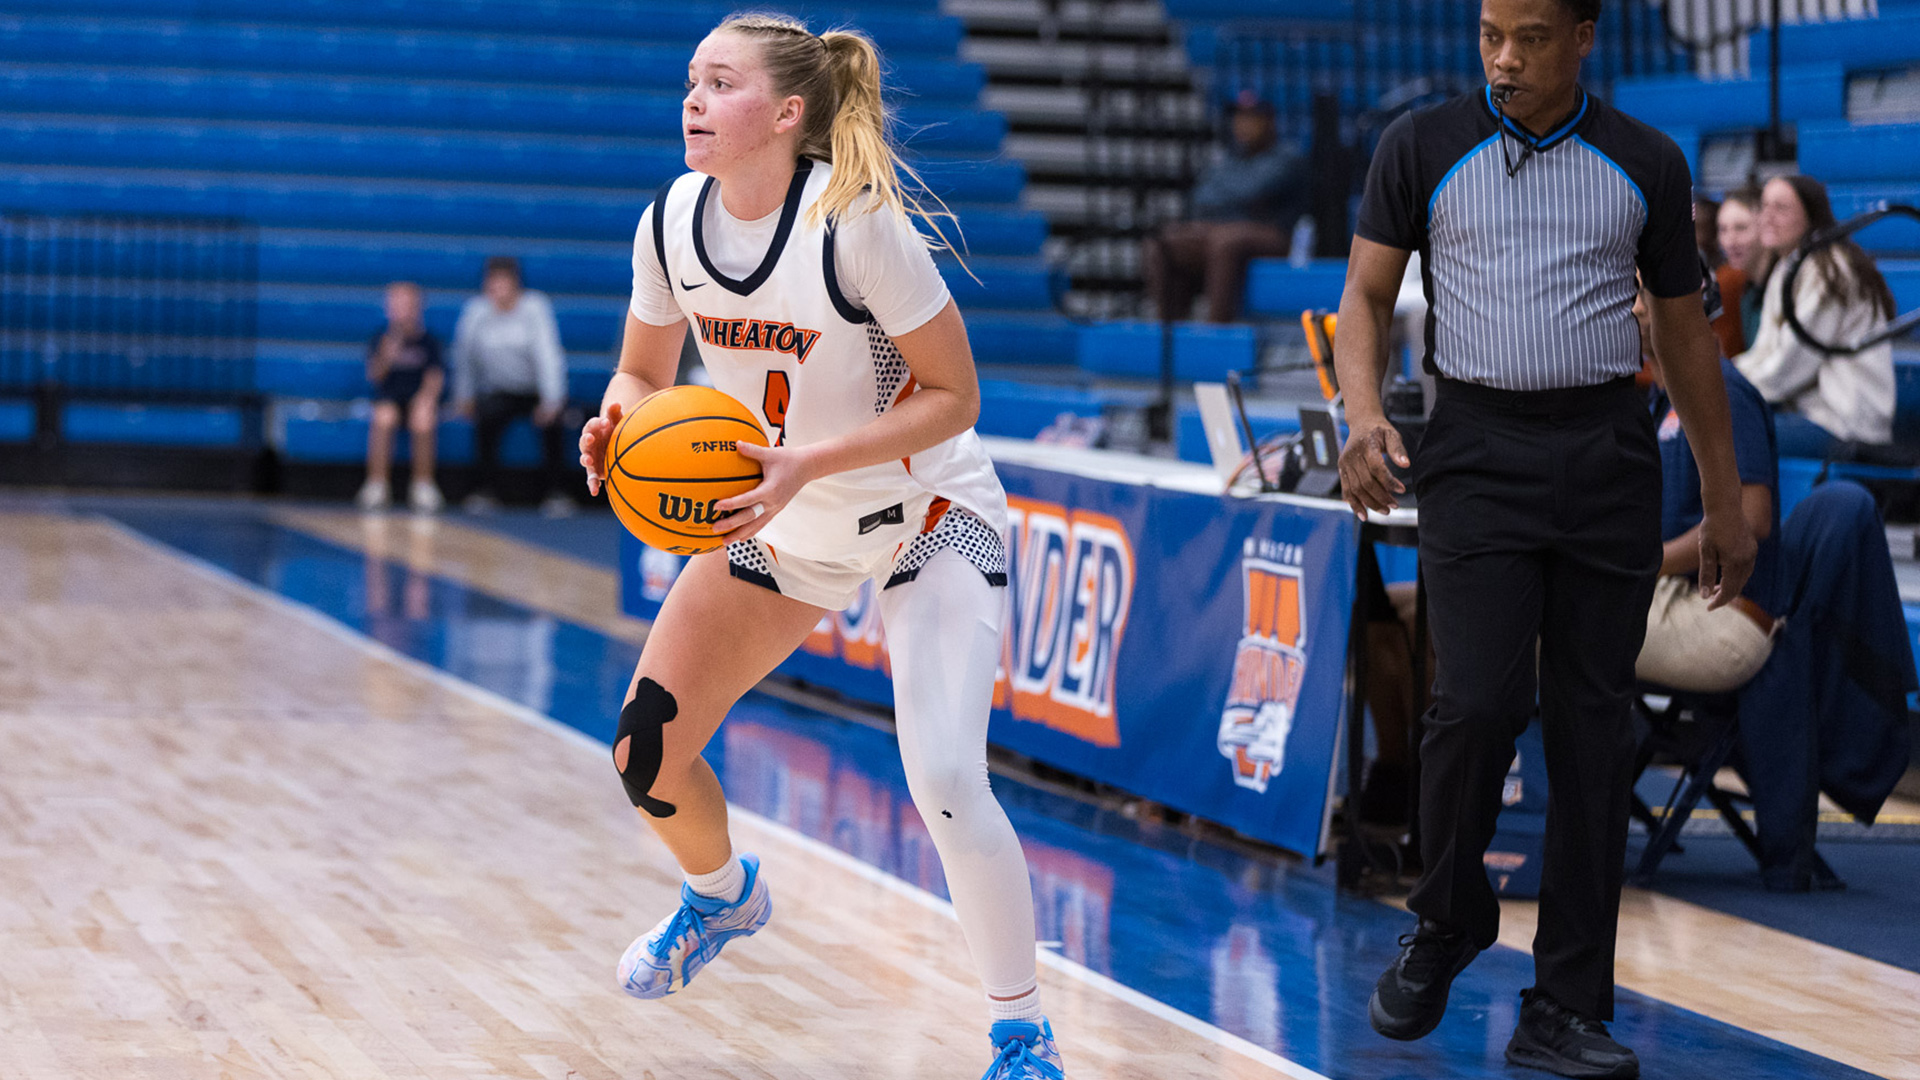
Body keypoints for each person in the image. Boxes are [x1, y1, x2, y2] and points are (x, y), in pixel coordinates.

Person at [575, 14, 1063, 1080]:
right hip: (784, 523)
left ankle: (1021, 1034)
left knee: (942, 775)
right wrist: (616, 419)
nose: (693, 100)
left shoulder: (857, 226)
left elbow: (955, 396)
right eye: (690, 81)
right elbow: (642, 374)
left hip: (924, 519)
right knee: (645, 754)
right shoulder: (667, 223)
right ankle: (721, 900)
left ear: (787, 114)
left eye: (720, 83)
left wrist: (810, 460)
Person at [1333, 2, 1756, 1077]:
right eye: (1488, 36)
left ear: (1582, 37)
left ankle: (1565, 1006)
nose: (1504, 58)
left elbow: (1684, 339)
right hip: (1474, 446)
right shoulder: (1419, 145)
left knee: (1593, 737)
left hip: (1605, 450)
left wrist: (1717, 500)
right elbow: (1366, 297)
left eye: (1527, 37)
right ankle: (1448, 916)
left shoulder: (1647, 163)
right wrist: (1364, 415)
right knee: (1471, 705)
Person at [1633, 276, 1781, 694]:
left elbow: (1752, 520)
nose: (1634, 309)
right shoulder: (1659, 402)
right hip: (1674, 596)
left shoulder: (1725, 390)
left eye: (1643, 294)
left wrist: (1650, 563)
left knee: (1543, 622)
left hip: (1725, 614)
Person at [1733, 174, 1897, 457]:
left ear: (1810, 215)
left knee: (1729, 439)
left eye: (1781, 208)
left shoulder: (1828, 268)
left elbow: (1790, 365)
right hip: (1809, 414)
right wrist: (1725, 377)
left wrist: (1728, 387)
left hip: (1844, 423)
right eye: (1764, 206)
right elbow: (1764, 352)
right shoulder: (1788, 265)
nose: (1768, 217)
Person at [1140, 91, 1309, 323]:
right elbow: (1199, 197)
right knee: (1162, 241)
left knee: (1225, 241)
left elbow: (1251, 190)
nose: (1242, 125)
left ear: (1269, 121)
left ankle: (1217, 329)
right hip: (1220, 230)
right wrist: (1229, 197)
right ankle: (1169, 331)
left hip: (1275, 235)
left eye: (1251, 118)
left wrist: (1226, 196)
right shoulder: (1228, 159)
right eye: (1239, 118)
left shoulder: (1286, 157)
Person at [450, 256, 574, 514]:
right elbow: (464, 356)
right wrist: (464, 396)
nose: (497, 288)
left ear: (515, 283)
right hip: (501, 391)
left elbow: (548, 355)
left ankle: (556, 492)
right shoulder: (476, 312)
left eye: (502, 282)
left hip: (535, 391)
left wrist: (551, 400)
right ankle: (484, 490)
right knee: (485, 421)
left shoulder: (535, 307)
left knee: (554, 423)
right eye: (492, 282)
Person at [356, 281, 445, 513]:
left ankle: (423, 485)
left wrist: (426, 398)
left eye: (407, 305)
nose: (401, 310)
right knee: (384, 417)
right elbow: (374, 376)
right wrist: (388, 354)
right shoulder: (381, 339)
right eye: (396, 305)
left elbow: (435, 376)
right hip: (389, 399)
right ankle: (377, 484)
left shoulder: (428, 341)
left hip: (417, 401)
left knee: (424, 419)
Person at [1717, 185, 1765, 349]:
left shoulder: (1782, 286)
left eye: (1741, 228)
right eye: (1723, 230)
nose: (1730, 241)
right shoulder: (1748, 292)